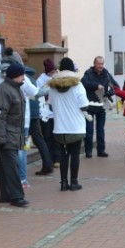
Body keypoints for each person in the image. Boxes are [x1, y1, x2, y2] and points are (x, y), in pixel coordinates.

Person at [48, 57, 90, 191]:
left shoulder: (53, 87)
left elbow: (50, 106)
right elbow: (84, 105)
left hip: (59, 127)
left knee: (63, 155)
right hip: (76, 127)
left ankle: (63, 183)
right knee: (75, 154)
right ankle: (74, 182)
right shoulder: (78, 85)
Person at [0, 63, 29, 207]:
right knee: (13, 166)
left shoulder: (15, 89)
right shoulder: (4, 91)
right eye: (22, 75)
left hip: (13, 134)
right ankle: (16, 196)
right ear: (16, 76)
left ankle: (6, 195)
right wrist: (0, 138)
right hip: (7, 135)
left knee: (7, 166)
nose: (24, 77)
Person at [81, 56, 118, 158]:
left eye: (102, 64)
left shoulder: (106, 74)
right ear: (94, 64)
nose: (100, 66)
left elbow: (115, 86)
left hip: (102, 105)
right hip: (90, 105)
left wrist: (110, 92)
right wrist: (96, 86)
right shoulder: (88, 73)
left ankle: (101, 150)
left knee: (100, 129)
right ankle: (88, 151)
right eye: (98, 64)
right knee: (89, 130)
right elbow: (83, 83)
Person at [37, 58, 61, 168]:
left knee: (56, 135)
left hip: (55, 110)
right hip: (45, 111)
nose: (53, 74)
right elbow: (37, 92)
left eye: (54, 71)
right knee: (47, 136)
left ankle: (57, 158)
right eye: (51, 72)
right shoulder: (41, 79)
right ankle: (49, 158)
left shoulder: (57, 77)